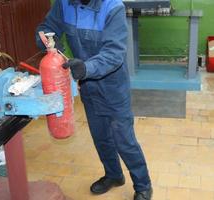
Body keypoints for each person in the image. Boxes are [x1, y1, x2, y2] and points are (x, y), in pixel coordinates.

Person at [36, 0, 152, 199]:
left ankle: (143, 185)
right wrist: (51, 45)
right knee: (101, 137)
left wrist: (87, 68)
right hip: (88, 86)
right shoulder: (64, 4)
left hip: (113, 86)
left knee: (124, 140)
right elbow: (48, 28)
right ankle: (114, 175)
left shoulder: (113, 7)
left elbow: (114, 53)